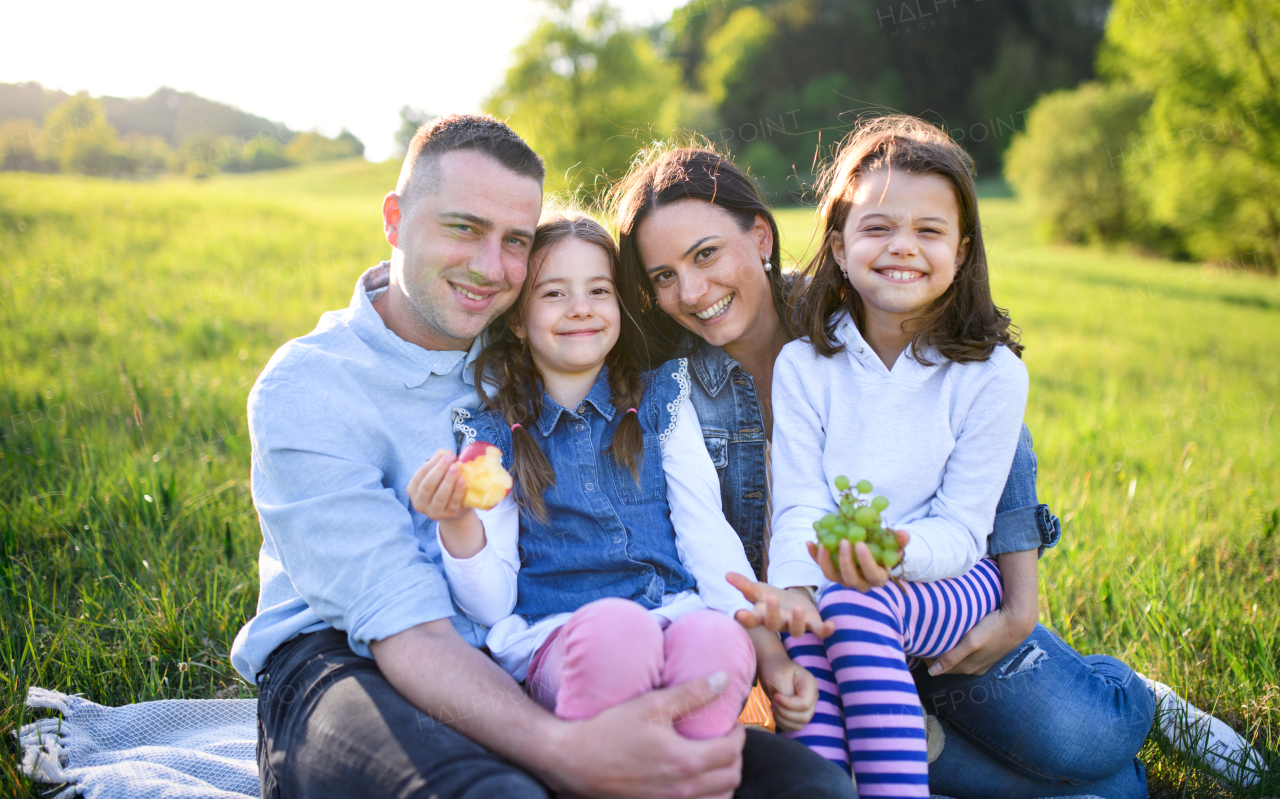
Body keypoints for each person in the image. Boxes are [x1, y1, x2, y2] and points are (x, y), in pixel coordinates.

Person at [229, 113, 854, 799]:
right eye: (462, 227)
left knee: (811, 789)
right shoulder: (312, 386)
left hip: (555, 652)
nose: (489, 266)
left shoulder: (536, 346)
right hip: (354, 657)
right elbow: (406, 629)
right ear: (395, 219)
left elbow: (707, 301)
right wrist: (564, 749)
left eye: (516, 241)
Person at [613, 139, 1166, 798]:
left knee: (1080, 739)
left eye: (706, 254)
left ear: (760, 235)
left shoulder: (859, 310)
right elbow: (701, 542)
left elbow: (996, 440)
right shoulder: (670, 394)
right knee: (1104, 794)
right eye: (663, 276)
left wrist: (1019, 604)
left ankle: (1133, 692)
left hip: (929, 594)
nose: (692, 291)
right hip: (817, 636)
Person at [408, 212, 817, 744]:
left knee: (716, 644)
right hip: (561, 637)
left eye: (598, 290)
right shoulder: (493, 436)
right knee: (616, 633)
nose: (581, 308)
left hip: (675, 616)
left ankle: (694, 773)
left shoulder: (662, 402)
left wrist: (768, 651)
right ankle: (612, 769)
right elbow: (490, 603)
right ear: (515, 317)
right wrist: (458, 522)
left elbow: (707, 536)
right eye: (554, 294)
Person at [763, 116, 1031, 797]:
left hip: (957, 577)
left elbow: (968, 527)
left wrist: (890, 552)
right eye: (877, 227)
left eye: (929, 230)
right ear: (839, 245)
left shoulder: (991, 374)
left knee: (851, 608)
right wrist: (796, 591)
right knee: (811, 624)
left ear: (963, 250)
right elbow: (799, 501)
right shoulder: (803, 365)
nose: (902, 246)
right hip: (840, 577)